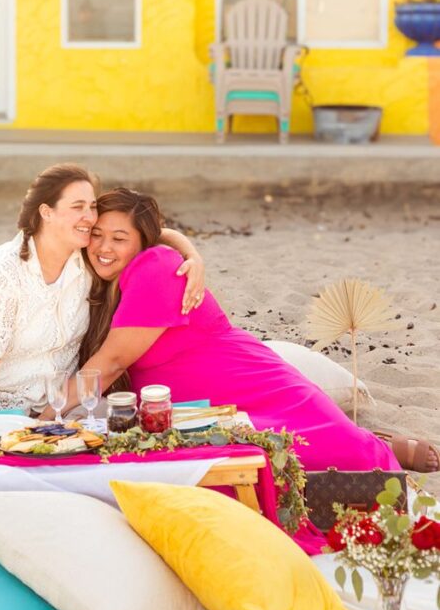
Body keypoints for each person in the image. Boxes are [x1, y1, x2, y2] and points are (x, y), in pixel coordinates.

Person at [59, 187, 439, 473]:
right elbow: (159, 232)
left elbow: (110, 363)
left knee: (330, 457)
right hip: (198, 406)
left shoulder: (155, 266)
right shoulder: (105, 276)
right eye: (97, 234)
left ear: (143, 242)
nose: (103, 247)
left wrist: (46, 414)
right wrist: (192, 251)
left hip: (244, 384)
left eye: (119, 239)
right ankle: (373, 440)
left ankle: (379, 445)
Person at [0, 164, 205, 444]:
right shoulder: (2, 271)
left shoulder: (88, 258)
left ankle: (38, 447)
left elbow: (146, 233)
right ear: (47, 212)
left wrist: (192, 256)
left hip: (63, 404)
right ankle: (11, 454)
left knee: (112, 417)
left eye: (92, 207)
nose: (90, 217)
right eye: (78, 207)